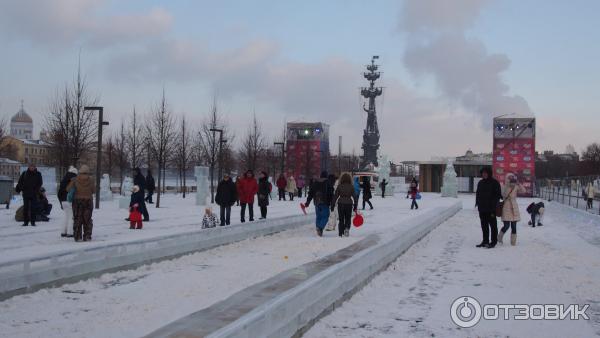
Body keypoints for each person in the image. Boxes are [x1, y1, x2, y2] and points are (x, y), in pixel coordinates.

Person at [475, 167, 502, 248]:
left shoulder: (495, 183)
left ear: (489, 173)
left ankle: (493, 241)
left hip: (491, 209)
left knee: (493, 226)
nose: (484, 174)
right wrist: (477, 203)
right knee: (484, 225)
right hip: (482, 209)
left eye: (486, 173)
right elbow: (478, 194)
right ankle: (485, 241)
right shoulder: (480, 182)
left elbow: (498, 195)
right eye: (483, 173)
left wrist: (492, 205)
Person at [67, 164, 95, 242]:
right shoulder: (92, 180)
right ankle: (87, 236)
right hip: (88, 201)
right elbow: (93, 190)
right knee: (87, 219)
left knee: (77, 218)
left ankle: (77, 236)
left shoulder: (74, 179)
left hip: (77, 201)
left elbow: (68, 189)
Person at [305, 171, 334, 237]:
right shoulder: (328, 183)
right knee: (326, 216)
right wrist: (332, 203)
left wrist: (307, 202)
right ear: (326, 176)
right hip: (325, 202)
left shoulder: (315, 183)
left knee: (319, 216)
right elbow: (331, 194)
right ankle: (320, 228)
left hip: (317, 202)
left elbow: (311, 193)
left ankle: (318, 229)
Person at [499, 174, 526, 246]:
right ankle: (499, 237)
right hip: (506, 207)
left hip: (514, 207)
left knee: (514, 226)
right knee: (506, 226)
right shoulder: (504, 186)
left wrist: (519, 184)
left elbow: (524, 191)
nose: (511, 180)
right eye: (510, 179)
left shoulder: (516, 186)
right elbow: (503, 195)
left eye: (513, 179)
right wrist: (508, 186)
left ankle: (513, 242)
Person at [331, 172, 356, 237]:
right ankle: (347, 228)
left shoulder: (339, 186)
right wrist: (355, 205)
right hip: (349, 204)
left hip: (341, 203)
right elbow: (355, 197)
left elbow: (335, 196)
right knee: (348, 218)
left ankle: (340, 232)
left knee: (341, 219)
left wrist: (333, 204)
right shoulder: (351, 187)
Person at [58, 166, 78, 237]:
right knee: (72, 216)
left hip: (63, 201)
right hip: (70, 200)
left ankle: (63, 231)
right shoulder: (74, 179)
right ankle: (70, 232)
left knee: (66, 216)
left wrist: (61, 202)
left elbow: (59, 193)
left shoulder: (63, 179)